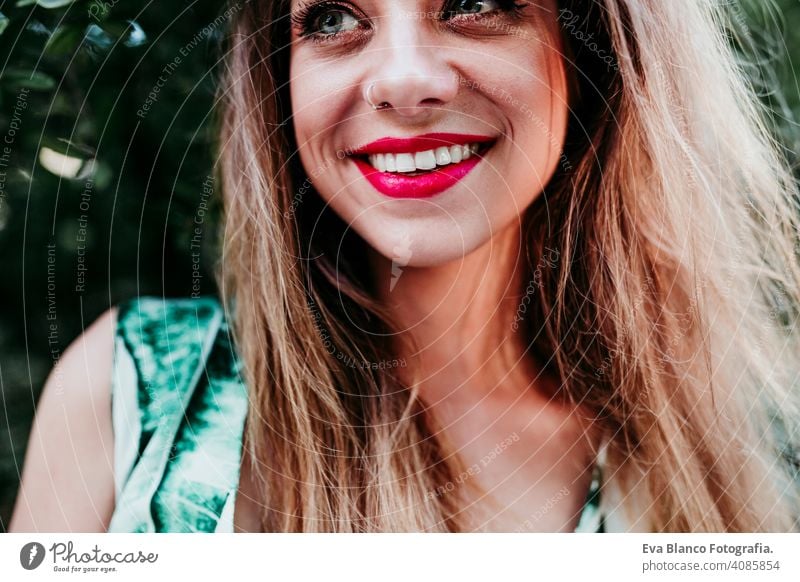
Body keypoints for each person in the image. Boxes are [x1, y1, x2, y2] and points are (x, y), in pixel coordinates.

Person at [10, 0, 800, 533]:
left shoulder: (708, 473)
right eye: (331, 17)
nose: (404, 80)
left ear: (592, 48)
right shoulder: (132, 400)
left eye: (474, 0)